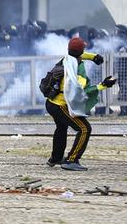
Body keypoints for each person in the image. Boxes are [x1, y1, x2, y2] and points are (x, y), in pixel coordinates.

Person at [45, 37, 116, 171]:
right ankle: (72, 160)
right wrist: (103, 86)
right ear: (81, 51)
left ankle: (55, 158)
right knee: (84, 129)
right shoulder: (78, 70)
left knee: (61, 127)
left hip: (51, 103)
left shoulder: (66, 59)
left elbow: (78, 54)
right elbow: (81, 91)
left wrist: (94, 57)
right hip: (60, 106)